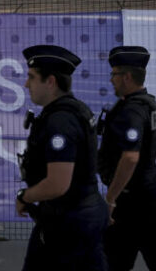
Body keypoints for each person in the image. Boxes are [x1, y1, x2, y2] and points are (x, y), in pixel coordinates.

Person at [16, 45, 107, 271]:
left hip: (69, 223)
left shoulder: (61, 122)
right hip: (71, 217)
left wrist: (25, 196)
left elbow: (58, 183)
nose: (27, 84)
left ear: (51, 81)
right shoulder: (74, 110)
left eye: (32, 78)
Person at [97, 46, 156, 271]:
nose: (111, 80)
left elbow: (130, 157)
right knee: (122, 257)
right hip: (141, 193)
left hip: (132, 198)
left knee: (120, 258)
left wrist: (111, 199)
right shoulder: (148, 104)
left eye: (114, 74)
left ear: (127, 77)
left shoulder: (132, 111)